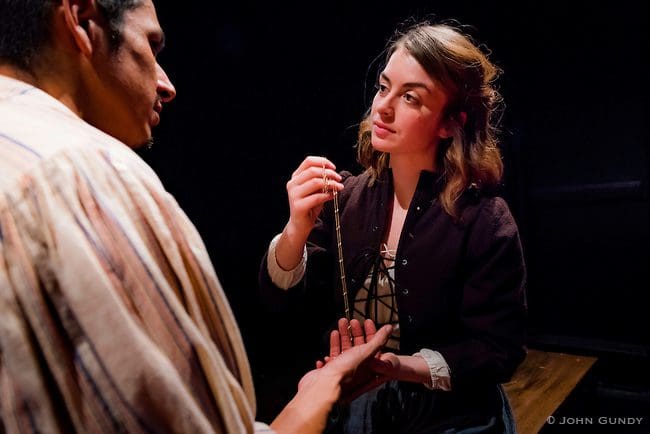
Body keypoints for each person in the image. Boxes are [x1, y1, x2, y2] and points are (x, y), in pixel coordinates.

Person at [0, 1, 394, 433]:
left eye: (410, 95)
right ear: (80, 19)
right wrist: (320, 392)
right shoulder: (84, 173)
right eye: (150, 44)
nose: (166, 85)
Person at [260, 20, 528, 432]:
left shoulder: (484, 220)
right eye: (383, 87)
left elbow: (498, 349)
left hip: (454, 417)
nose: (383, 107)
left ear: (450, 122)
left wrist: (398, 366)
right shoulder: (344, 197)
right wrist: (296, 228)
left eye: (410, 97)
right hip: (361, 413)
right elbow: (280, 306)